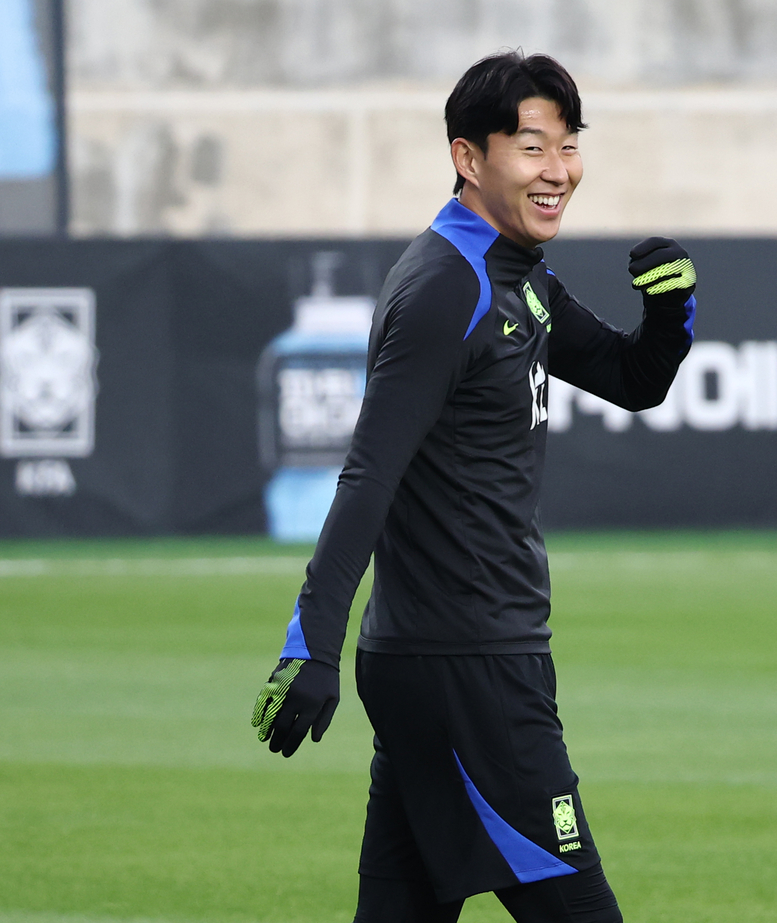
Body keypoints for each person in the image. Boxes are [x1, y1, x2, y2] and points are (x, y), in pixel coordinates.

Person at [251, 51, 696, 923]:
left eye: (568, 145)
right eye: (532, 145)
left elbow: (631, 377)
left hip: (448, 658)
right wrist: (311, 642)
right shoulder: (444, 287)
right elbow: (368, 472)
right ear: (468, 158)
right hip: (471, 669)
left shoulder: (513, 270)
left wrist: (671, 319)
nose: (559, 169)